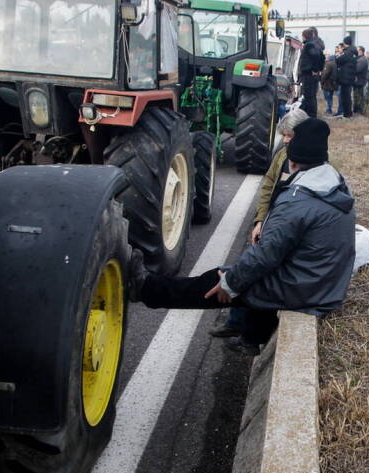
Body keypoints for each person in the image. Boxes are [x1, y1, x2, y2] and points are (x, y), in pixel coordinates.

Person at [132, 118, 356, 356]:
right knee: (245, 275)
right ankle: (249, 336)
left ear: (291, 162)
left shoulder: (298, 201)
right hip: (323, 283)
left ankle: (146, 288)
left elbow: (266, 255)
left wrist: (230, 282)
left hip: (306, 290)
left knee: (218, 279)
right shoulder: (334, 183)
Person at [249, 108, 310, 245]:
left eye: (289, 135)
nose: (285, 140)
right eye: (284, 135)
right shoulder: (281, 156)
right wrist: (260, 221)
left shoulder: (319, 162)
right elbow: (268, 187)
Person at [297, 29, 324, 117]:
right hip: (312, 74)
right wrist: (319, 69)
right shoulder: (315, 44)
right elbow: (321, 57)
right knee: (311, 96)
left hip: (309, 74)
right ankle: (309, 114)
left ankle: (311, 115)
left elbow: (316, 55)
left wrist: (314, 70)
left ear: (304, 36)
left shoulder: (309, 45)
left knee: (309, 96)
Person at [335, 36, 357, 118]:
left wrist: (337, 55)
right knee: (347, 96)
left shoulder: (348, 52)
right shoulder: (353, 51)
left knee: (345, 97)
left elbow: (338, 60)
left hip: (345, 77)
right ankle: (347, 113)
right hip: (349, 76)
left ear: (345, 43)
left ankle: (347, 114)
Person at [353, 46, 368, 115]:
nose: (356, 52)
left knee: (359, 96)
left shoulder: (362, 60)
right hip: (358, 80)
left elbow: (357, 70)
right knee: (356, 95)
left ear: (361, 51)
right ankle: (356, 109)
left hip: (359, 81)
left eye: (357, 50)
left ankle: (359, 110)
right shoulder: (360, 58)